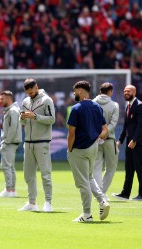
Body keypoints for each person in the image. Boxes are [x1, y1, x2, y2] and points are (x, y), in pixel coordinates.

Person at [67, 80, 110, 222]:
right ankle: (103, 201)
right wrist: (97, 137)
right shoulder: (97, 107)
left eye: (75, 91)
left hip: (79, 148)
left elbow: (71, 133)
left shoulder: (76, 108)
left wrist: (69, 149)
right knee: (89, 177)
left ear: (80, 91)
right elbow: (105, 130)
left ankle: (87, 214)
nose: (74, 93)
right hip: (93, 147)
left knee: (83, 182)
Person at [18, 79, 55, 212]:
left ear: (37, 87)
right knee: (28, 174)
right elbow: (22, 122)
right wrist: (22, 117)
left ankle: (48, 202)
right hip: (28, 142)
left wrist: (35, 116)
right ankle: (32, 202)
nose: (31, 95)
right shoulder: (25, 101)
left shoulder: (47, 100)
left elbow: (52, 119)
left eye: (32, 92)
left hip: (42, 142)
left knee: (45, 174)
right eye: (28, 93)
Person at [112, 85, 142, 201]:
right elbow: (126, 126)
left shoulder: (139, 106)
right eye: (124, 91)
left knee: (139, 168)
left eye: (128, 91)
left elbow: (140, 125)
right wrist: (120, 140)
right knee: (129, 168)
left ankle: (141, 194)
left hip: (138, 143)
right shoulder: (128, 106)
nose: (126, 93)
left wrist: (135, 140)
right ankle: (125, 193)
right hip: (129, 143)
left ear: (134, 92)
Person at [93, 83, 119, 202]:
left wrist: (98, 135)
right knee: (111, 167)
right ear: (110, 92)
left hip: (94, 139)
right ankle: (102, 192)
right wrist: (104, 134)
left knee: (96, 167)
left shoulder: (93, 102)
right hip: (109, 139)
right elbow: (113, 124)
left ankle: (99, 193)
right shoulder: (114, 105)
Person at [0, 91, 22, 198]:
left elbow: (13, 128)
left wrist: (6, 141)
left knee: (6, 166)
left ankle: (9, 190)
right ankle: (11, 190)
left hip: (9, 142)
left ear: (8, 98)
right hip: (11, 142)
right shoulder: (11, 110)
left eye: (2, 99)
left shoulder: (13, 111)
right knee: (10, 166)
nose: (0, 101)